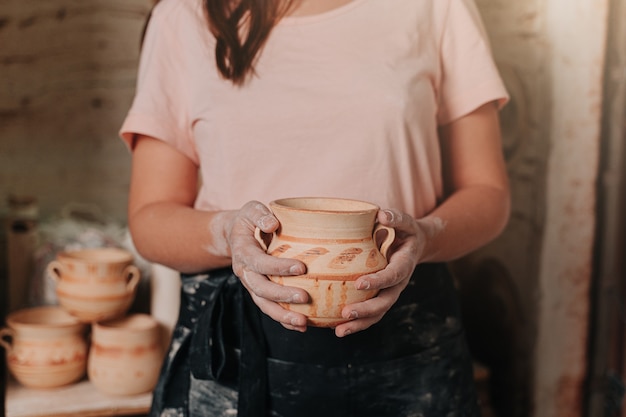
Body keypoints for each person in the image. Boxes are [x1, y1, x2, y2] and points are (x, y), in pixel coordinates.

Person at [120, 0, 510, 416]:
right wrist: (227, 232)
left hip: (406, 333)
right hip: (240, 345)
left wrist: (426, 237)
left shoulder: (435, 7)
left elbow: (487, 192)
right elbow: (151, 218)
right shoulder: (184, 18)